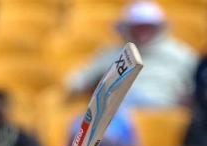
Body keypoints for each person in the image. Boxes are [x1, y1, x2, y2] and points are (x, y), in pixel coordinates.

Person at [66, 0, 196, 108]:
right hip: (121, 113)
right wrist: (97, 85)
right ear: (127, 27)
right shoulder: (113, 53)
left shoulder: (180, 54)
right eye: (137, 26)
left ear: (158, 27)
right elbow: (76, 82)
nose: (143, 32)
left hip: (165, 111)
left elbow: (196, 86)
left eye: (147, 26)